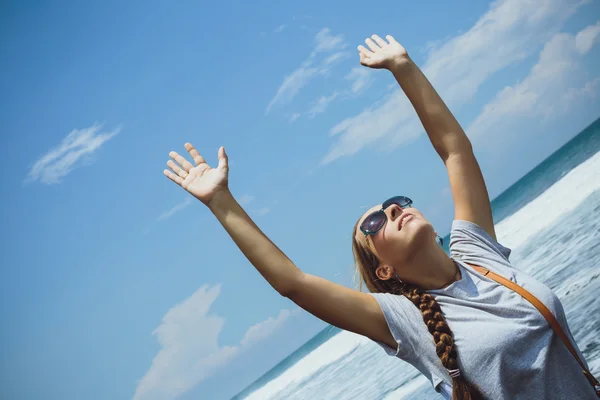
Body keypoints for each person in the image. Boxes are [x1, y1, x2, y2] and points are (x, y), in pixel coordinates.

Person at [163, 34, 596, 399]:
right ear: (384, 270)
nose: (393, 210)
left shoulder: (477, 254)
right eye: (375, 224)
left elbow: (455, 151)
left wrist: (403, 67)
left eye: (396, 203)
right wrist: (220, 200)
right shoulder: (403, 320)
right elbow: (292, 283)